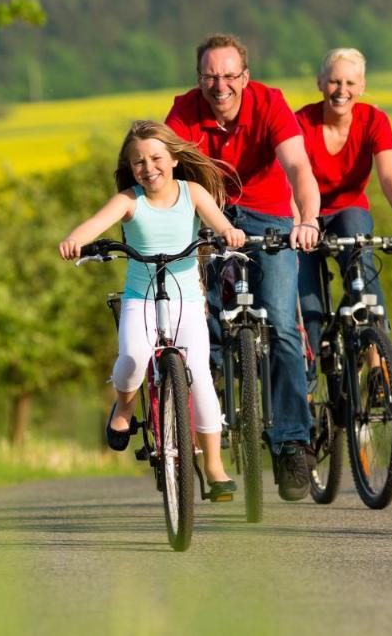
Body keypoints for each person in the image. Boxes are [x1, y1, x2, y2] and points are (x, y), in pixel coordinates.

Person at [165, 33, 321, 501]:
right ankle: (207, 428)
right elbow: (163, 170)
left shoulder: (270, 103)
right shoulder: (184, 111)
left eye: (230, 75)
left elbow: (298, 167)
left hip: (269, 214)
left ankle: (293, 442)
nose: (220, 85)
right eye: (211, 76)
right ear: (199, 78)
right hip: (210, 215)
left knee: (283, 326)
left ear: (245, 77)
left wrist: (308, 219)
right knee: (199, 324)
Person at [59, 120, 246, 501]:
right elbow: (95, 224)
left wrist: (230, 234)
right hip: (140, 299)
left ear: (174, 159)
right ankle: (124, 408)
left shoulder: (193, 193)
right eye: (138, 162)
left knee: (201, 378)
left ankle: (213, 467)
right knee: (133, 356)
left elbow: (221, 224)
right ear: (131, 168)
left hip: (187, 302)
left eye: (156, 158)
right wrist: (75, 241)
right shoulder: (130, 200)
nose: (148, 168)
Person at [295, 48, 392, 383]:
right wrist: (299, 224)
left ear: (361, 86)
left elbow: (390, 179)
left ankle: (377, 359)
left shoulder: (374, 120)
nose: (341, 89)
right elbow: (288, 179)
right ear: (320, 83)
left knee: (360, 253)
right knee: (308, 304)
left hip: (348, 209)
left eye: (349, 82)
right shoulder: (301, 122)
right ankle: (307, 393)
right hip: (305, 213)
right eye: (334, 81)